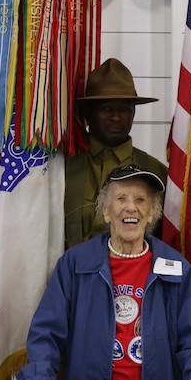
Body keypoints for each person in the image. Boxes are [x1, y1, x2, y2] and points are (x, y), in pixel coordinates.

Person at [19, 165, 191, 380]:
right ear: (106, 211)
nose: (131, 207)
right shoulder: (75, 264)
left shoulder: (176, 268)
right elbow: (46, 332)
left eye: (141, 199)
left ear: (151, 213)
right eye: (121, 198)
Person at [65, 58, 167, 249]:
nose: (116, 117)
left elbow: (165, 241)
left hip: (137, 276)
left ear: (133, 113)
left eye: (124, 109)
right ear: (88, 113)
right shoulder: (64, 169)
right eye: (106, 109)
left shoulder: (156, 173)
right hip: (73, 276)